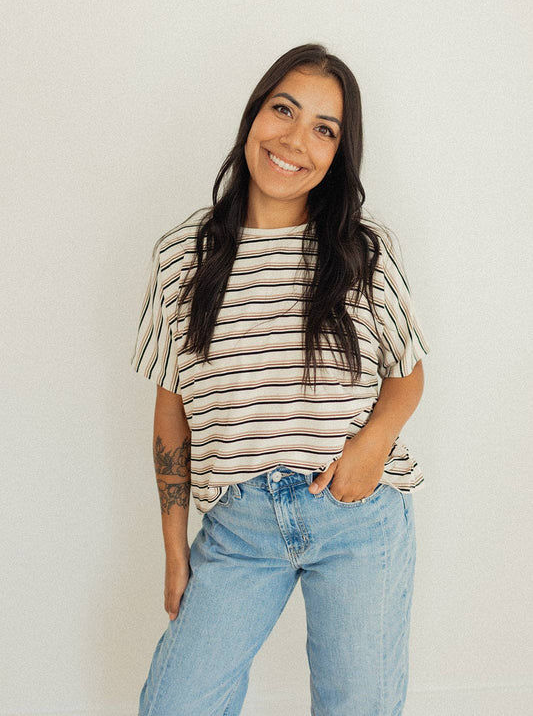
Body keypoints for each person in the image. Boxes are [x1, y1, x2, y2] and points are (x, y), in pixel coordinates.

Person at [130, 43, 430, 716]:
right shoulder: (183, 256)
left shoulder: (362, 250)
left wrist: (371, 445)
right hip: (239, 525)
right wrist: (175, 552)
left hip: (357, 514)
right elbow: (171, 414)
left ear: (338, 154)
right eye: (284, 110)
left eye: (324, 129)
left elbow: (407, 377)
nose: (295, 141)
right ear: (253, 116)